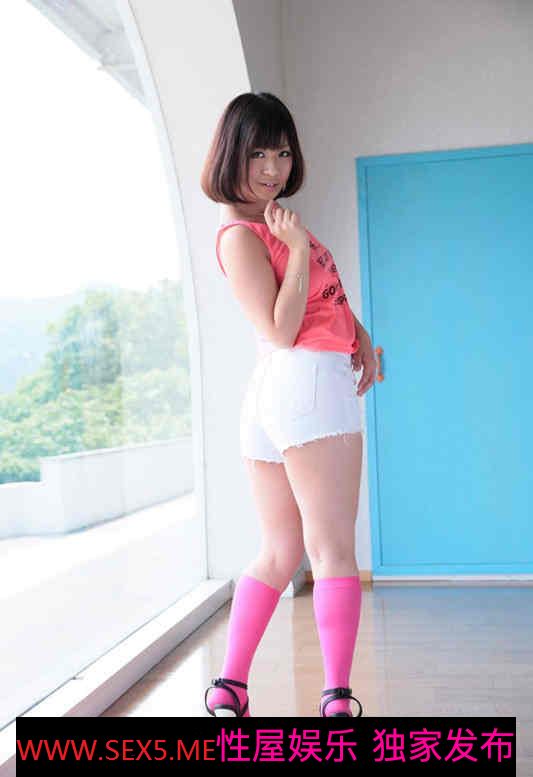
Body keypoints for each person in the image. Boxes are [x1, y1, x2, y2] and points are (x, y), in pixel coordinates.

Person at [200, 92, 377, 717]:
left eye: (281, 152)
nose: (273, 168)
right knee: (332, 550)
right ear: (231, 155)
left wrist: (360, 336)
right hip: (307, 384)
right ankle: (336, 699)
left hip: (275, 395)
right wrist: (298, 249)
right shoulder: (242, 235)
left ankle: (229, 687)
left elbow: (322, 301)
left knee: (280, 551)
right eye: (258, 154)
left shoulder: (270, 221)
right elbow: (281, 328)